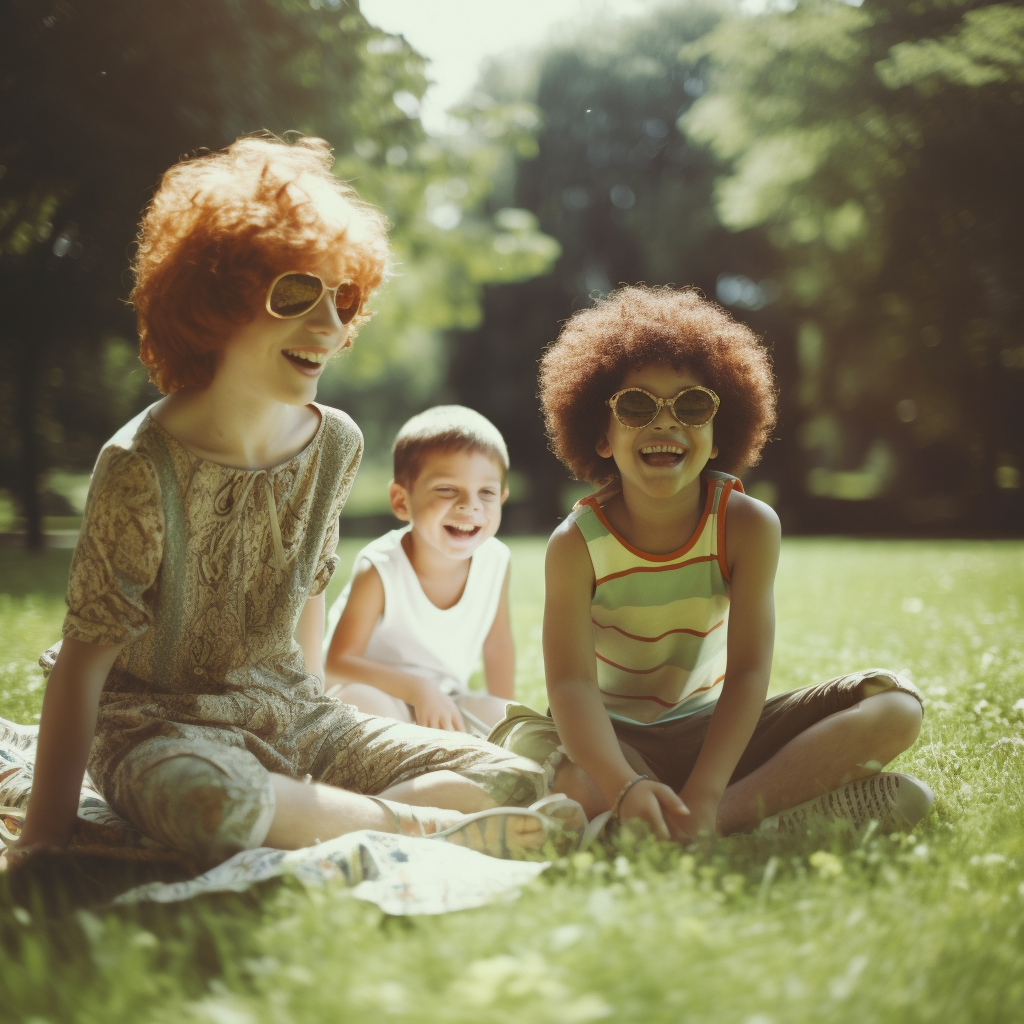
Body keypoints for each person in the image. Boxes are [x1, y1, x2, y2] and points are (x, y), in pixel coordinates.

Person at [10, 134, 581, 869]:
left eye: (342, 298)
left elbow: (308, 596)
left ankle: (336, 816)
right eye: (294, 295)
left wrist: (321, 740)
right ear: (214, 303)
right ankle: (421, 826)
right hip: (159, 731)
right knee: (213, 804)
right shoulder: (136, 465)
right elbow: (85, 664)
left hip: (296, 715)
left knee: (521, 772)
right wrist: (44, 838)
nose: (330, 327)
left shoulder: (336, 444)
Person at [490, 285, 933, 843]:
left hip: (715, 735)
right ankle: (745, 826)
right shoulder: (575, 544)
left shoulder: (747, 526)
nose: (665, 423)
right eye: (636, 406)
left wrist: (706, 792)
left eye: (692, 405)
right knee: (557, 769)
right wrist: (623, 783)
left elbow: (748, 673)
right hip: (611, 742)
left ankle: (708, 825)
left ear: (719, 429)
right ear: (601, 435)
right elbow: (572, 687)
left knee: (895, 709)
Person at [324, 406, 516, 737]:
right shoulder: (380, 567)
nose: (470, 505)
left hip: (444, 697)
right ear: (402, 501)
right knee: (362, 702)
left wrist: (507, 725)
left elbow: (497, 646)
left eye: (487, 492)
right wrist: (418, 689)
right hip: (377, 694)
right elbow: (337, 662)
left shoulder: (496, 560)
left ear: (502, 498)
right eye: (447, 489)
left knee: (503, 716)